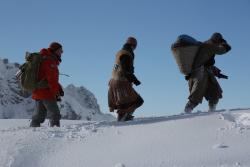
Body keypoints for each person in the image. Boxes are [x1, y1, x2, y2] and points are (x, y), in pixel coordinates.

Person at [184, 33, 231, 113]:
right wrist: (225, 43)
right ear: (217, 40)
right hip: (199, 73)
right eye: (219, 41)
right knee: (197, 94)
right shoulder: (208, 45)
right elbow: (222, 50)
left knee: (215, 93)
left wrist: (217, 73)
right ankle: (187, 111)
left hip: (206, 72)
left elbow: (207, 63)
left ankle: (211, 111)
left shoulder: (208, 45)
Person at [108, 37, 144, 121]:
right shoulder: (127, 54)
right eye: (135, 46)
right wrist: (135, 81)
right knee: (138, 101)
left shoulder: (120, 52)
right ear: (133, 45)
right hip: (121, 82)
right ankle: (124, 117)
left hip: (112, 82)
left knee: (123, 103)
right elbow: (126, 70)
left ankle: (123, 116)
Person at [30, 42, 64, 127]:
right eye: (60, 50)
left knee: (38, 117)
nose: (62, 52)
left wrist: (59, 88)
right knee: (55, 115)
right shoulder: (50, 61)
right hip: (46, 93)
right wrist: (56, 93)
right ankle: (55, 136)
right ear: (55, 50)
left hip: (38, 92)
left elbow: (47, 78)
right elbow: (51, 80)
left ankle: (33, 133)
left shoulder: (43, 58)